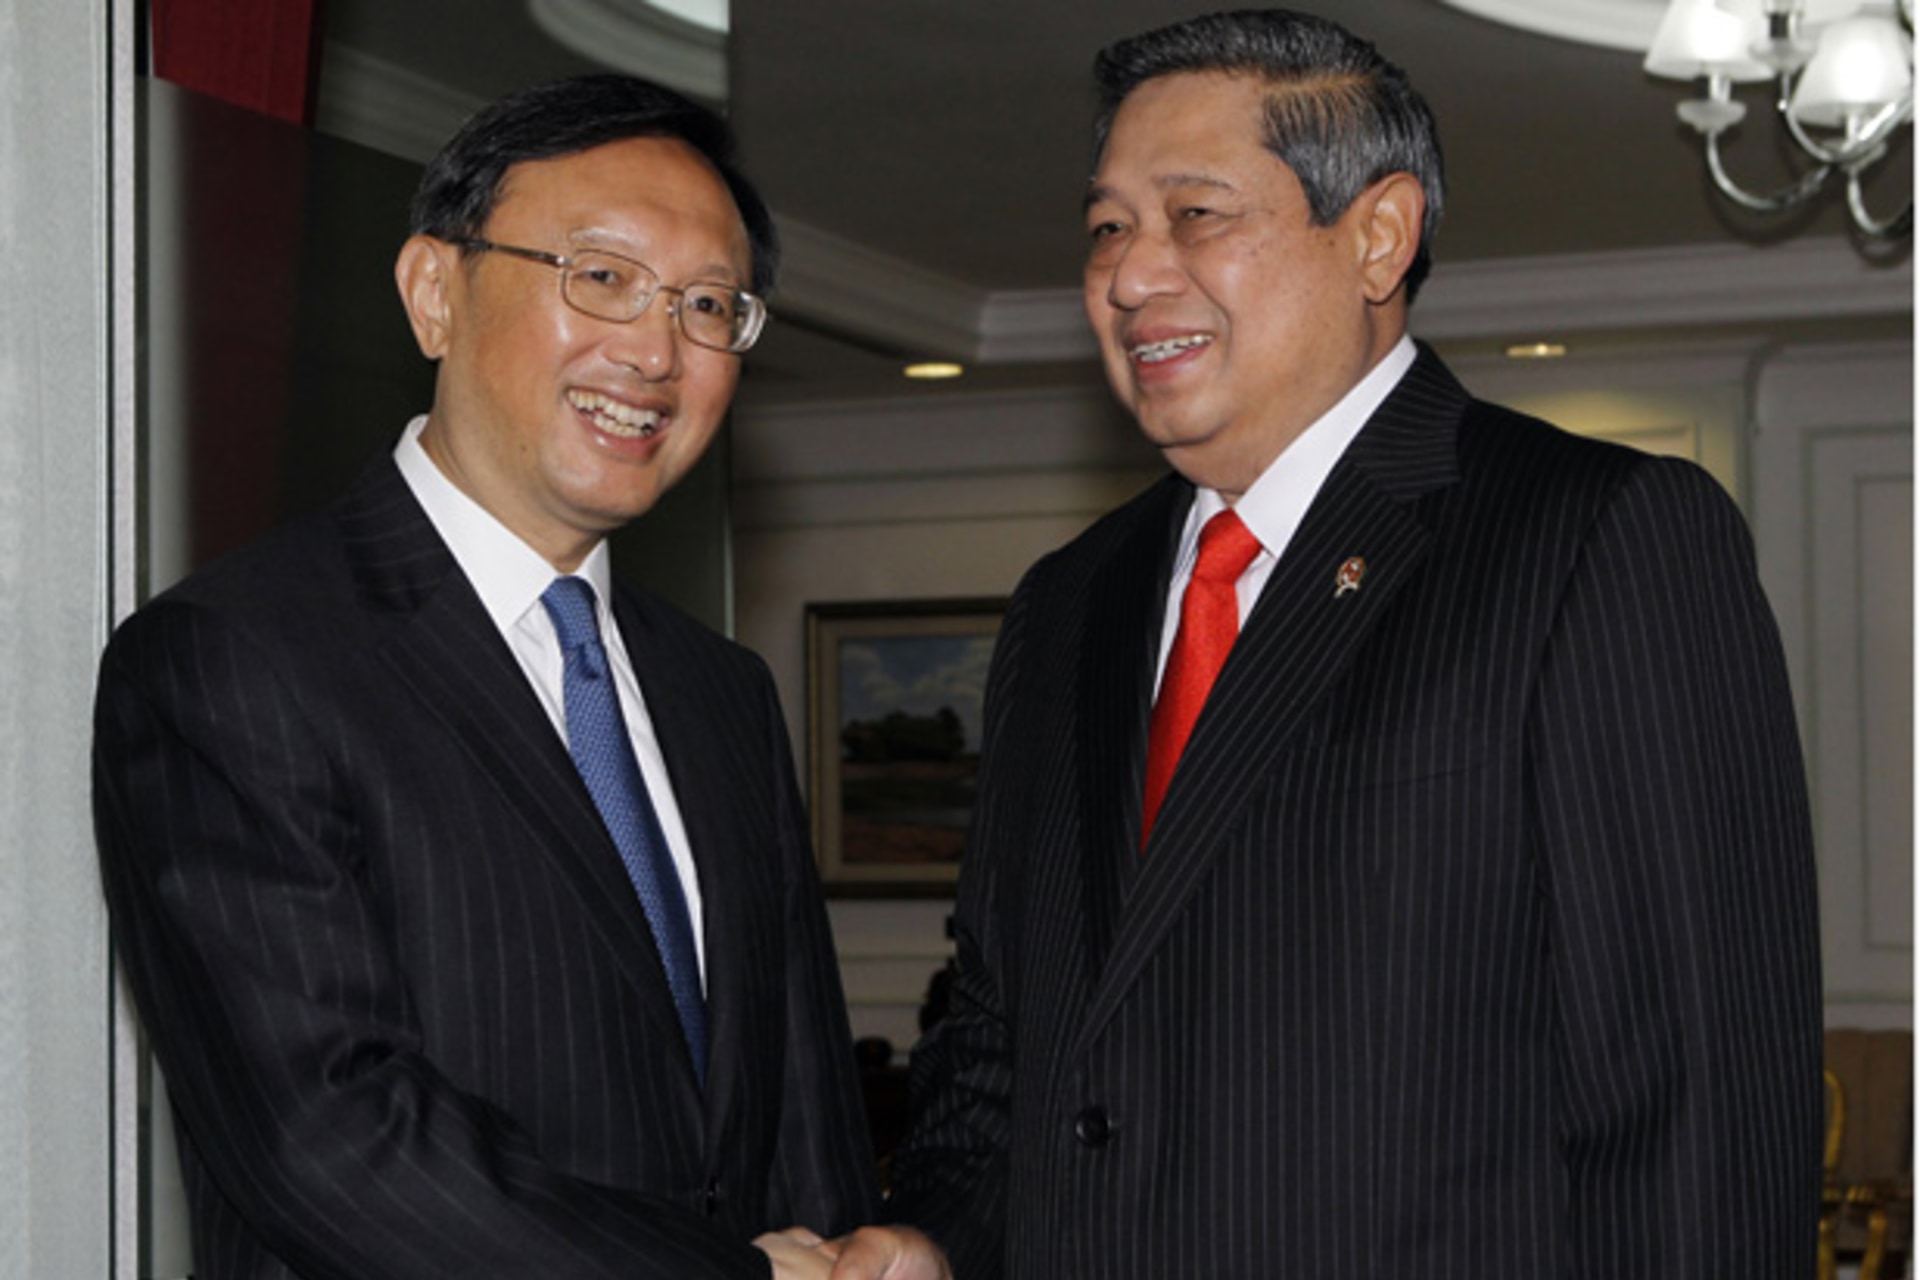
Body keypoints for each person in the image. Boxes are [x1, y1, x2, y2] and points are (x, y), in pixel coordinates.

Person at [821, 10, 1824, 1279]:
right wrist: (936, 1233)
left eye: (1196, 215)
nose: (1130, 274)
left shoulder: (1596, 539)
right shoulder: (1067, 602)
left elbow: (1699, 1103)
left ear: (1379, 235)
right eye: (1107, 227)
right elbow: (1002, 1032)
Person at [93, 75, 878, 1279]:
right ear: (434, 292)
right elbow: (328, 1138)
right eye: (603, 277)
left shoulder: (719, 690)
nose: (658, 349)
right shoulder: (234, 660)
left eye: (710, 304)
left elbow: (803, 1112)